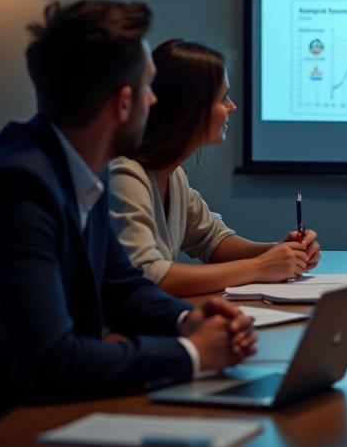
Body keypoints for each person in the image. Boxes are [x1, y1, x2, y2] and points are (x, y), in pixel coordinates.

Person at [0, 1, 257, 438]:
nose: (155, 100)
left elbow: (121, 286)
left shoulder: (79, 165)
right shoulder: (17, 187)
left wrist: (187, 321)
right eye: (149, 87)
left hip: (50, 414)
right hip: (2, 435)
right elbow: (52, 361)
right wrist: (193, 354)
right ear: (124, 102)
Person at [108, 39, 321, 296]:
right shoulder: (125, 177)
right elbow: (149, 276)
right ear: (190, 108)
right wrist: (260, 267)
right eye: (223, 98)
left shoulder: (173, 176)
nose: (232, 107)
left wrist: (280, 252)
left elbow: (213, 241)